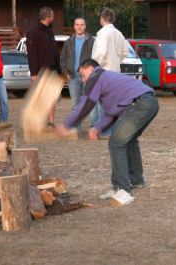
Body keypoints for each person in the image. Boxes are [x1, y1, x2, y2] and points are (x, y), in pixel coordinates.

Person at [55, 59, 159, 203]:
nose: (83, 80)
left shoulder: (97, 76)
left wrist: (66, 125)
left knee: (116, 144)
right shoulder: (108, 81)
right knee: (129, 141)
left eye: (83, 75)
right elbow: (112, 113)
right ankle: (136, 181)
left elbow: (85, 104)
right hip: (150, 103)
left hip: (139, 104)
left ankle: (122, 189)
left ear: (90, 68)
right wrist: (97, 128)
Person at [91, 7, 128, 138]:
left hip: (104, 72)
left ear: (102, 18)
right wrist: (116, 61)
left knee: (102, 104)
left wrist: (94, 67)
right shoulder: (119, 34)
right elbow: (125, 52)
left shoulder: (102, 33)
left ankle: (104, 130)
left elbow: (100, 53)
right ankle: (110, 129)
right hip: (116, 73)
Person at [26, 6, 61, 127]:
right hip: (40, 72)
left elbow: (54, 51)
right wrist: (34, 73)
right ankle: (35, 123)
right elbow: (32, 55)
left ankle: (50, 122)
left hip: (52, 71)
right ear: (48, 17)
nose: (53, 18)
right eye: (53, 16)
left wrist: (59, 69)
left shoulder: (50, 31)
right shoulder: (33, 32)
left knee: (52, 98)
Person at [60, 17, 95, 133]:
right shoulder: (68, 42)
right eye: (77, 24)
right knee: (76, 105)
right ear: (74, 26)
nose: (79, 27)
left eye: (82, 25)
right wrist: (66, 73)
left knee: (90, 103)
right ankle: (76, 128)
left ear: (85, 26)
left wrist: (91, 74)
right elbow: (63, 59)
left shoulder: (92, 41)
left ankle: (94, 127)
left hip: (88, 77)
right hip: (73, 76)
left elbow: (95, 58)